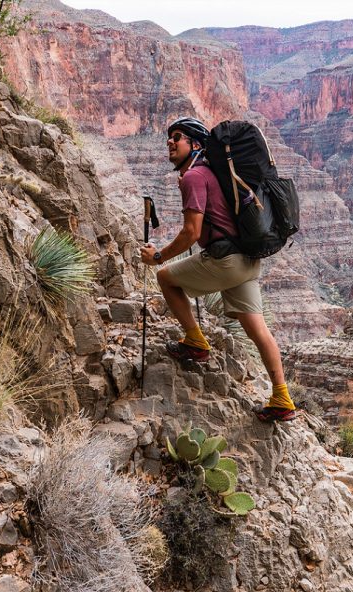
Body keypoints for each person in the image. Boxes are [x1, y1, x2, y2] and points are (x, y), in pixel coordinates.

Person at [139, 116, 297, 422]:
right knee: (258, 330)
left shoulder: (196, 176)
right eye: (169, 138)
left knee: (165, 278)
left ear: (195, 145)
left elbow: (191, 233)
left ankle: (196, 342)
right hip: (247, 261)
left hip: (225, 261)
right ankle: (282, 398)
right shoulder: (213, 173)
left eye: (178, 137)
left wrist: (158, 256)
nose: (170, 142)